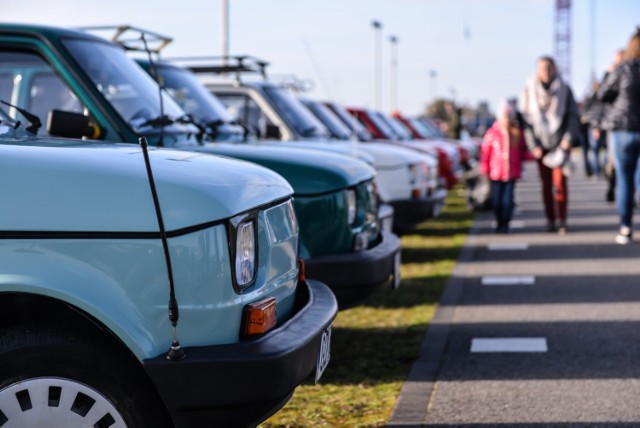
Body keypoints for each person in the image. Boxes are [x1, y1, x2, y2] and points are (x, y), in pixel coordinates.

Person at [521, 56, 581, 235]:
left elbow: (573, 117)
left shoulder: (565, 89)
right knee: (546, 185)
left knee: (560, 183)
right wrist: (534, 146)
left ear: (554, 69)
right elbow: (527, 122)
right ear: (537, 71)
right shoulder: (529, 91)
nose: (546, 72)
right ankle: (550, 219)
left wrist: (567, 140)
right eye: (542, 68)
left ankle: (562, 220)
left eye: (549, 68)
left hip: (560, 144)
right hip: (541, 145)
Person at [597, 28, 640, 244]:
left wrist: (610, 73)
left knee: (624, 179)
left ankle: (625, 227)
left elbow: (602, 94)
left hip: (622, 130)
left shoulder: (623, 69)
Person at [479, 101, 529, 233]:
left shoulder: (516, 133)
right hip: (496, 173)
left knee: (507, 201)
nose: (506, 120)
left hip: (511, 173)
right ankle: (499, 221)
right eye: (504, 116)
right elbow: (485, 153)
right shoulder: (492, 134)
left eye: (508, 116)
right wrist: (484, 168)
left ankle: (505, 223)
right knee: (496, 201)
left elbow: (523, 151)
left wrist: (534, 155)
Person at [583, 49, 625, 202]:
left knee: (619, 163)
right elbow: (600, 102)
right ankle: (612, 184)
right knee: (610, 159)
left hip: (621, 126)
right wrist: (596, 125)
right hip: (612, 126)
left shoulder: (629, 73)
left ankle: (620, 190)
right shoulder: (613, 76)